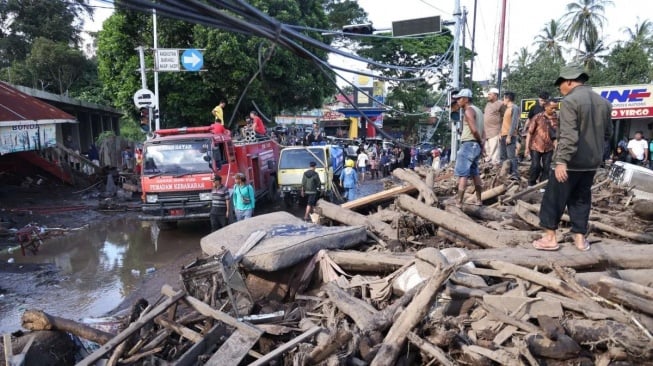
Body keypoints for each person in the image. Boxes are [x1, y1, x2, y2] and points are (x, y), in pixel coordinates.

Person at [533, 63, 612, 252]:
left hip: (571, 162)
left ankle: (550, 238)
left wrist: (561, 161)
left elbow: (569, 135)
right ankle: (579, 239)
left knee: (553, 199)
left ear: (569, 81)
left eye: (560, 84)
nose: (560, 89)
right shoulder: (604, 103)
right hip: (591, 162)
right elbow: (608, 134)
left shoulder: (570, 102)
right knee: (581, 199)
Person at [451, 88, 485, 207]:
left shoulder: (468, 111)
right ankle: (479, 200)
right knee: (474, 172)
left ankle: (459, 202)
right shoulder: (479, 111)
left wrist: (480, 141)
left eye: (459, 99)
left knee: (463, 174)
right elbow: (483, 130)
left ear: (466, 99)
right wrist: (482, 144)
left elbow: (474, 130)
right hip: (476, 145)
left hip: (468, 144)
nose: (458, 101)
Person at [525, 99, 558, 186]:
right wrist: (526, 148)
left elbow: (557, 135)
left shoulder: (557, 119)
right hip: (535, 145)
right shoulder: (537, 117)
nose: (554, 110)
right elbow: (529, 133)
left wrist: (557, 147)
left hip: (549, 147)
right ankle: (531, 183)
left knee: (547, 167)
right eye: (552, 108)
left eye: (556, 108)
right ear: (546, 107)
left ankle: (542, 185)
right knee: (536, 166)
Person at [499, 91, 520, 180]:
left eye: (504, 98)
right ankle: (505, 173)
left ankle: (514, 174)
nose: (503, 100)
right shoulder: (507, 108)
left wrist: (509, 136)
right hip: (503, 135)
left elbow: (514, 123)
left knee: (511, 156)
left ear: (507, 98)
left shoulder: (514, 108)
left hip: (509, 136)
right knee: (503, 156)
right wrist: (501, 133)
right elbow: (505, 123)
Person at [483, 87, 503, 165]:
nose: (488, 96)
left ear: (495, 95)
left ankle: (495, 169)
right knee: (488, 152)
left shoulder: (500, 104)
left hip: (495, 131)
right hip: (486, 132)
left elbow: (505, 116)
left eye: (490, 94)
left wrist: (501, 131)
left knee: (495, 154)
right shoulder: (488, 104)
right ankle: (488, 171)